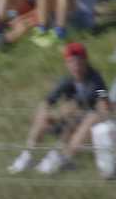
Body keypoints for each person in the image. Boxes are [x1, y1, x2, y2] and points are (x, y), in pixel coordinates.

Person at [9, 38, 109, 170]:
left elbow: (82, 103)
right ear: (67, 64)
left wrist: (55, 116)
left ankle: (63, 158)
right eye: (71, 62)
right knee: (44, 114)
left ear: (86, 61)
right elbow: (48, 100)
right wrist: (44, 112)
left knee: (86, 116)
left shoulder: (96, 80)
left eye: (79, 62)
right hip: (71, 121)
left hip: (93, 127)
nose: (75, 66)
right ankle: (28, 155)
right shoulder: (68, 80)